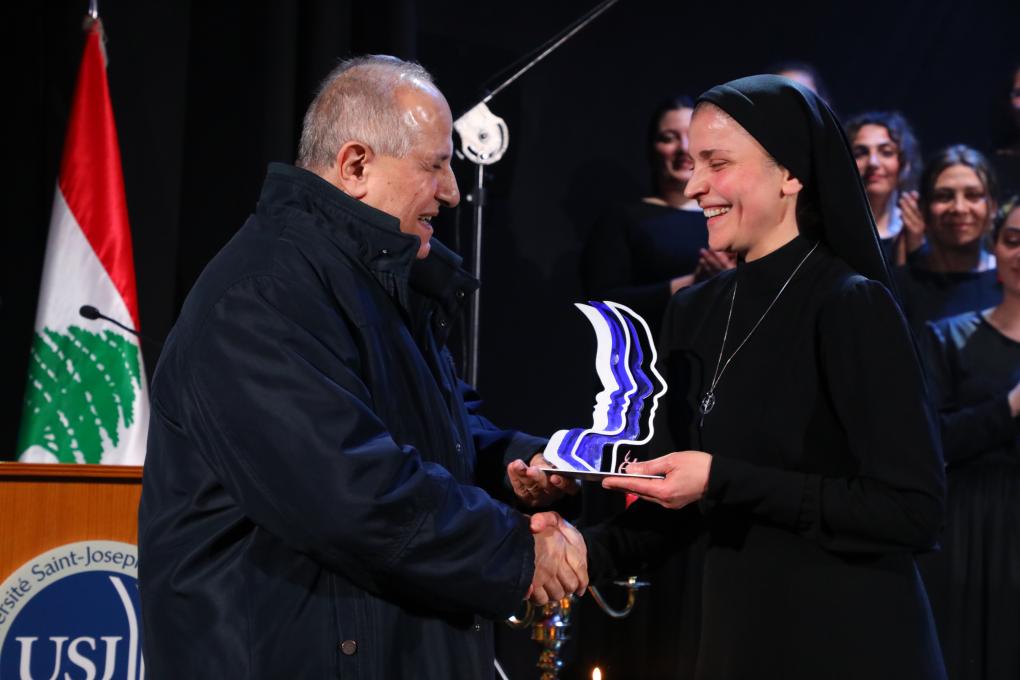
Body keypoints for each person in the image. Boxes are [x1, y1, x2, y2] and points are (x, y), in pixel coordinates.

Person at [138, 55, 587, 679]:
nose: (452, 191)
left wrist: (515, 466)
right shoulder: (261, 295)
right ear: (355, 166)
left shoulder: (370, 281)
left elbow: (431, 424)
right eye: (434, 165)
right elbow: (350, 493)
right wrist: (513, 550)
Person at [553, 75, 947, 678]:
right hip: (739, 640)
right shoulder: (694, 310)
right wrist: (575, 550)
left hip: (850, 643)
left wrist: (722, 479)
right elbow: (675, 510)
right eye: (693, 164)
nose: (694, 185)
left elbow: (912, 510)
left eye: (717, 163)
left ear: (790, 174)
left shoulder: (850, 304)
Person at [919, 198, 1020, 680]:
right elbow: (932, 440)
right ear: (994, 249)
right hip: (973, 526)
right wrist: (1010, 407)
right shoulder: (948, 337)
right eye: (1013, 240)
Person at [582, 96, 735, 337]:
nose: (684, 148)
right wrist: (691, 284)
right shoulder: (624, 219)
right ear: (652, 150)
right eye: (669, 138)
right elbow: (601, 304)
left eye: (693, 136)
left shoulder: (734, 216)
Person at [894, 145, 1002, 336]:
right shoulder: (898, 287)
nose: (959, 208)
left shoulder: (1011, 282)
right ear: (923, 208)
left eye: (973, 195)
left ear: (993, 207)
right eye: (944, 196)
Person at [845, 111, 924, 264]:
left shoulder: (916, 231)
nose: (873, 162)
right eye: (860, 153)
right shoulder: (832, 228)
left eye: (886, 152)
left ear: (905, 164)